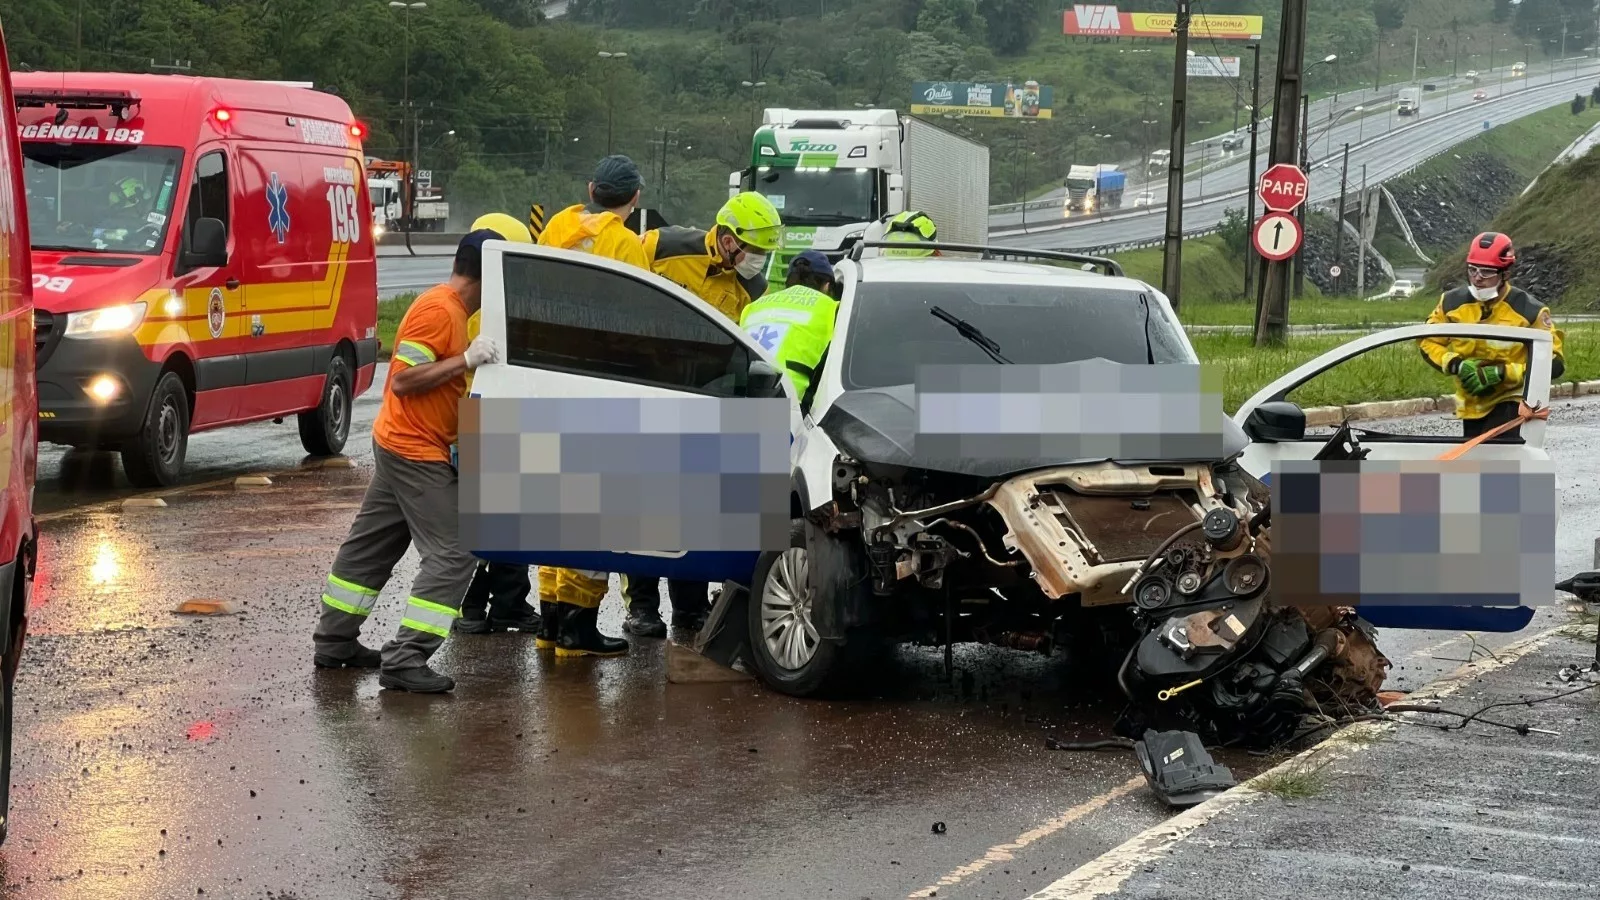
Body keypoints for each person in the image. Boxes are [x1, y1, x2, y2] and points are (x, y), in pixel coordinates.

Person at [312, 230, 504, 693]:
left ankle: (335, 642)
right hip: (415, 449)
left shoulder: (453, 311)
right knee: (456, 550)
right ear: (489, 275)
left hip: (401, 443)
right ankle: (405, 656)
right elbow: (402, 381)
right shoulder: (440, 311)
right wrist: (464, 360)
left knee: (371, 546)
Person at [621, 192, 784, 637]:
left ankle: (689, 611)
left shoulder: (752, 287)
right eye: (754, 250)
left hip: (703, 403)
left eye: (766, 253)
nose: (759, 260)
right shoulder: (665, 248)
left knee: (690, 511)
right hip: (647, 393)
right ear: (729, 239)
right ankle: (641, 606)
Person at [535, 155, 650, 657]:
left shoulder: (558, 225)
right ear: (634, 199)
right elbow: (644, 316)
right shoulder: (625, 243)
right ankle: (578, 630)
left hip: (545, 378)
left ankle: (551, 621)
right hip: (603, 385)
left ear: (590, 188)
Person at [455, 212, 543, 637]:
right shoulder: (495, 307)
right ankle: (506, 604)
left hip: (471, 416)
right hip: (494, 415)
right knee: (513, 517)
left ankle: (473, 605)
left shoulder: (466, 304)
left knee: (487, 519)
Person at [1419, 232, 1565, 440]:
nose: (1478, 278)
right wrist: (1456, 365)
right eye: (1472, 270)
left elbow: (1555, 363)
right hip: (1471, 404)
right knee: (1476, 466)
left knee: (1495, 466)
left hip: (1512, 402)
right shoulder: (1450, 303)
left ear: (1505, 273)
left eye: (1487, 272)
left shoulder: (1529, 310)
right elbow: (1427, 341)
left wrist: (1504, 373)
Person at [738, 249, 840, 415]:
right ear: (827, 285)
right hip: (790, 410)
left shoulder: (753, 306)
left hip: (738, 400)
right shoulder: (833, 309)